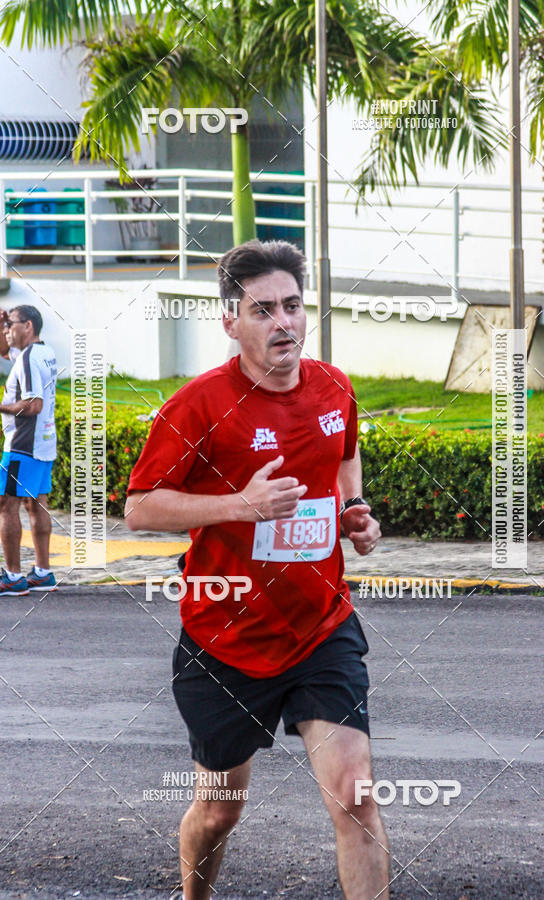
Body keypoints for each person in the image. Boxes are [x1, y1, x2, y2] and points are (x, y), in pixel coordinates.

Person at [125, 239, 388, 899]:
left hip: (321, 628)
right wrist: (241, 505)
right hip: (227, 642)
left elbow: (345, 454)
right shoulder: (200, 406)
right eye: (263, 309)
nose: (283, 323)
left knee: (355, 797)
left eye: (293, 306)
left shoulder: (333, 386)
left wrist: (353, 508)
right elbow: (140, 509)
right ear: (230, 321)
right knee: (220, 809)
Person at [0, 305, 58, 595]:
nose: (8, 330)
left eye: (11, 324)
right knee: (36, 504)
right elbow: (3, 350)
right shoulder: (43, 353)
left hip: (23, 444)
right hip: (44, 443)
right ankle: (43, 572)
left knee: (6, 505)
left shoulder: (28, 359)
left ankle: (12, 577)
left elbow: (33, 405)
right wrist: (0, 323)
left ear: (29, 326)